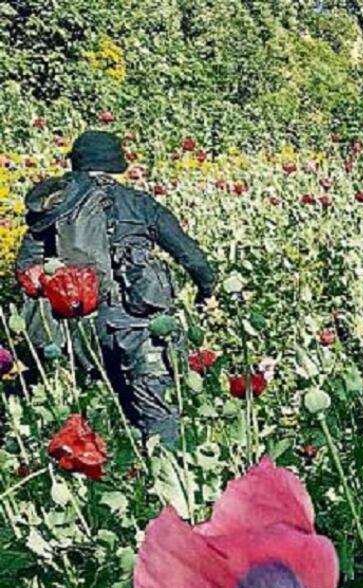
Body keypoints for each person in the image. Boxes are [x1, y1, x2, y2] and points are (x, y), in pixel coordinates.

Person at [15, 130, 216, 447]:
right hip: (140, 324)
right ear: (116, 163)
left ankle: (130, 475)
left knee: (116, 410)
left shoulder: (54, 206)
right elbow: (191, 256)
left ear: (77, 164)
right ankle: (167, 485)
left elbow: (27, 269)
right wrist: (207, 292)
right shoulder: (138, 203)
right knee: (158, 414)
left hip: (83, 328)